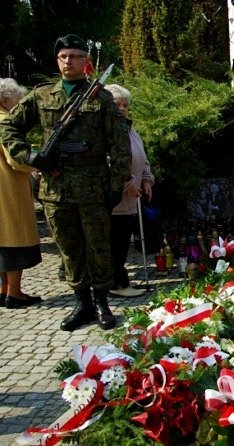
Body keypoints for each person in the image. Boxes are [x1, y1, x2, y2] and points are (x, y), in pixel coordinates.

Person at [0, 34, 131, 329]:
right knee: (69, 249)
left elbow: (119, 144)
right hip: (56, 188)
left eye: (74, 56)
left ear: (86, 61)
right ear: (57, 61)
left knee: (98, 247)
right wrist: (30, 156)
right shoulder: (42, 95)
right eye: (63, 57)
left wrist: (116, 184)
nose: (68, 61)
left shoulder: (102, 98)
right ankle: (81, 303)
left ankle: (102, 304)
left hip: (94, 187)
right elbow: (9, 125)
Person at [105, 84, 154, 298]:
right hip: (115, 197)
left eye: (125, 105)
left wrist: (146, 179)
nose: (122, 108)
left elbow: (142, 157)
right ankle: (116, 283)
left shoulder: (129, 128)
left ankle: (120, 280)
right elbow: (108, 162)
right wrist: (128, 183)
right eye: (117, 104)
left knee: (122, 240)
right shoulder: (106, 130)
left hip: (131, 198)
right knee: (115, 241)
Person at [0, 78, 42, 309]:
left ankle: (4, 289)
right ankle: (14, 293)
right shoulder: (5, 122)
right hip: (8, 189)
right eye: (17, 102)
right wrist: (36, 163)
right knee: (12, 240)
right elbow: (15, 158)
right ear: (6, 101)